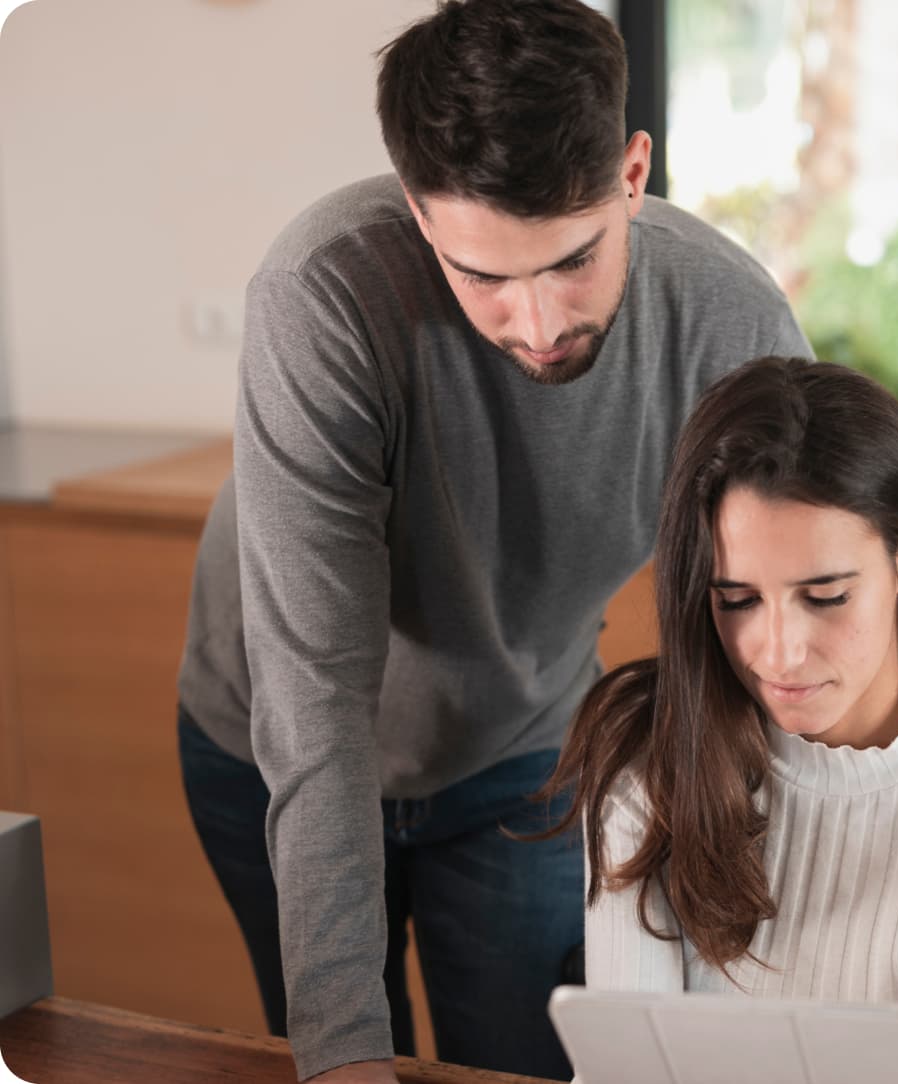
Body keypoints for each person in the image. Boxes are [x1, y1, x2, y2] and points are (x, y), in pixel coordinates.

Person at [175, 2, 812, 1082]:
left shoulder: (726, 322)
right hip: (275, 745)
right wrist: (340, 1058)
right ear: (423, 218)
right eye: (484, 277)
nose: (537, 321)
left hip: (525, 748)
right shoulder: (323, 296)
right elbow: (316, 696)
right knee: (336, 1043)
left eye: (570, 260)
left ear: (630, 174)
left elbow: (826, 603)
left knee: (519, 1064)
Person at [544, 357, 898, 1084]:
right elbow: (628, 1075)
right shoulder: (652, 752)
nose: (777, 654)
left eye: (824, 596)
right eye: (738, 600)